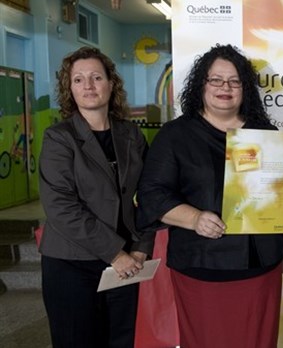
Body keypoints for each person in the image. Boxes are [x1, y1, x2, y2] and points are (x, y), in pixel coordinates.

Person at [136, 44, 283, 348]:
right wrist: (194, 218)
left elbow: (276, 198)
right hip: (202, 267)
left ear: (245, 88)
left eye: (234, 81)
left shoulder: (264, 133)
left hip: (259, 266)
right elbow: (151, 195)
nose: (224, 88)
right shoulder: (176, 135)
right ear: (202, 85)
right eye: (216, 80)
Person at [39, 46, 154, 347]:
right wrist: (115, 253)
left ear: (111, 83)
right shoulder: (59, 138)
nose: (88, 85)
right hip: (71, 263)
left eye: (96, 77)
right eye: (78, 80)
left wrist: (141, 247)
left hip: (127, 262)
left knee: (121, 340)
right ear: (70, 89)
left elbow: (151, 192)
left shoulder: (131, 135)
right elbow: (61, 207)